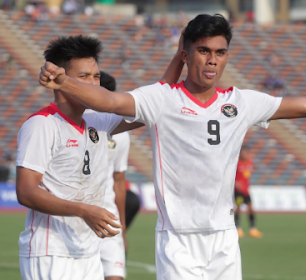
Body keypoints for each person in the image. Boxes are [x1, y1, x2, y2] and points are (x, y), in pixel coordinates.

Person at [38, 14, 306, 280]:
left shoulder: (243, 102)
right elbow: (110, 103)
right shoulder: (162, 99)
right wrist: (63, 82)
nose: (212, 59)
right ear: (186, 54)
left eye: (220, 52)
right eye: (203, 51)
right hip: (178, 241)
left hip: (224, 240)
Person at [17, 34, 184, 280]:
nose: (94, 84)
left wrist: (180, 56)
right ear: (61, 80)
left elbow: (152, 103)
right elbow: (26, 192)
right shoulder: (42, 125)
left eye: (96, 76)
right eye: (83, 77)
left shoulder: (97, 121)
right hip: (51, 252)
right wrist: (84, 211)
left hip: (89, 251)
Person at [97, 71, 131, 280]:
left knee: (115, 275)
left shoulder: (120, 135)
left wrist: (123, 226)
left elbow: (119, 182)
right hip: (76, 215)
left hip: (108, 215)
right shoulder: (71, 126)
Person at [234, 146, 262, 238]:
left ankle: (253, 229)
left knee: (251, 208)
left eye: (245, 153)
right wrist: (236, 183)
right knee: (238, 208)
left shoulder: (249, 162)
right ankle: (238, 228)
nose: (244, 154)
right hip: (238, 191)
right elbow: (231, 176)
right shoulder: (236, 163)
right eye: (242, 152)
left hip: (246, 190)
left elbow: (248, 173)